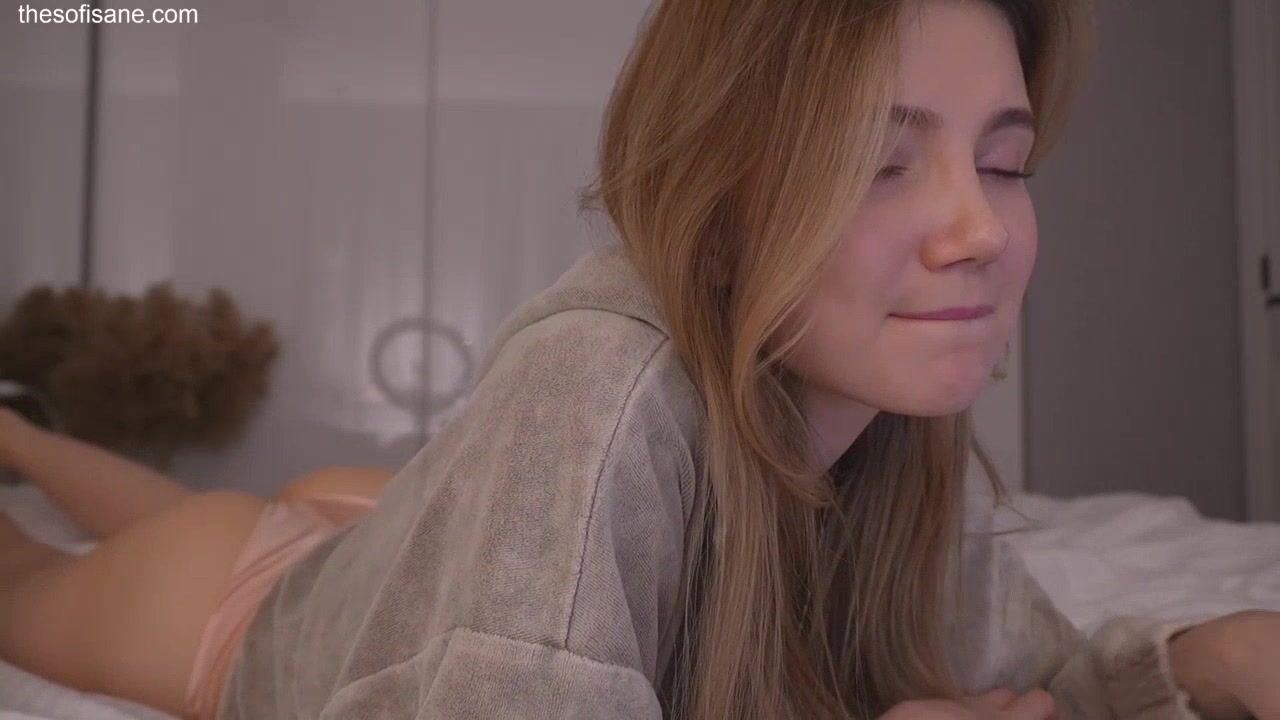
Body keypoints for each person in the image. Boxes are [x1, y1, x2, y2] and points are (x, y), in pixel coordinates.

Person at [2, 0, 1277, 718]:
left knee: (141, 492)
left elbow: (1017, 672)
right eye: (877, 162)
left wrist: (1202, 660)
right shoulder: (598, 384)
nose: (979, 230)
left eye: (1005, 163)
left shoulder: (883, 415)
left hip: (408, 534)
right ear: (714, 207)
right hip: (245, 602)